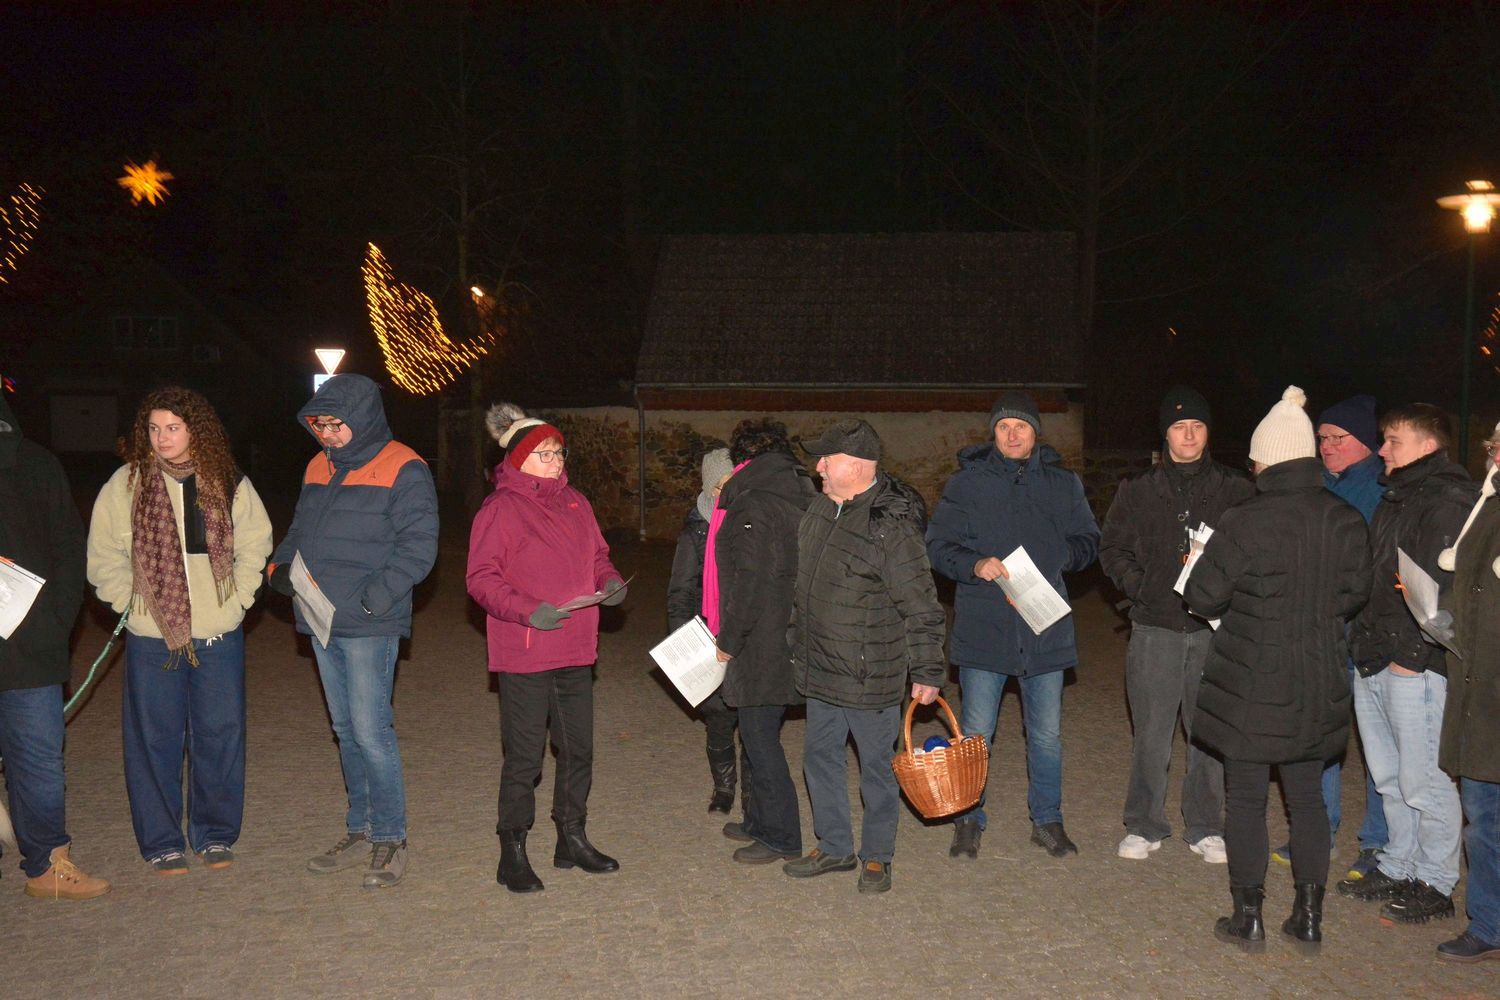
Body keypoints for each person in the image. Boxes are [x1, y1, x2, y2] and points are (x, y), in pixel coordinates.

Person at [1185, 386, 1371, 952]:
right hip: (1317, 676)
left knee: (1246, 799)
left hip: (1250, 679)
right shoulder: (1344, 518)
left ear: (1268, 459)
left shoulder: (1244, 519)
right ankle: (1308, 919)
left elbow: (1203, 596)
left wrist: (1199, 568)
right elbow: (1353, 594)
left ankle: (1249, 919)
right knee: (1307, 798)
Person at [87, 386, 272, 876]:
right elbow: (103, 554)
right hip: (153, 639)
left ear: (195, 429)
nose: (162, 438)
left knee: (220, 736)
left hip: (217, 636)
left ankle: (214, 835)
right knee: (155, 740)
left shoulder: (227, 481)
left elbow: (256, 543)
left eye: (172, 427)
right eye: (154, 429)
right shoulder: (125, 484)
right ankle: (162, 840)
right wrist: (131, 601)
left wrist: (239, 601)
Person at [267, 374, 437, 889]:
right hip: (320, 618)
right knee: (344, 731)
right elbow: (300, 530)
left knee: (371, 731)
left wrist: (373, 597)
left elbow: (419, 547)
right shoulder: (318, 465)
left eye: (337, 425)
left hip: (367, 621)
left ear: (362, 418)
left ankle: (390, 837)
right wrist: (279, 569)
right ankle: (359, 829)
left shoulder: (403, 466)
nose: (328, 435)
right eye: (319, 425)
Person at [927, 391, 1100, 859]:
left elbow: (1089, 540)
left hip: (1044, 627)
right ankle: (968, 819)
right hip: (986, 625)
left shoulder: (1063, 485)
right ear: (994, 432)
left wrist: (1063, 555)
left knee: (1046, 734)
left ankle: (1047, 820)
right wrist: (973, 563)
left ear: (1035, 433)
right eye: (1004, 427)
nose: (1012, 434)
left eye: (1021, 426)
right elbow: (937, 544)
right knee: (978, 731)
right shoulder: (967, 484)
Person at [467, 402, 625, 893]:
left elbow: (598, 554)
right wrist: (526, 608)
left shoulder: (577, 502)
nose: (556, 461)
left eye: (558, 452)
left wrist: (610, 579)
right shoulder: (500, 508)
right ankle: (511, 848)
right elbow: (480, 578)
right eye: (544, 454)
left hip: (576, 647)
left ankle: (570, 836)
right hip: (527, 648)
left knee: (579, 749)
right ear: (518, 459)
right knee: (525, 757)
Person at [783, 419, 945, 894]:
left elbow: (922, 604)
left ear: (852, 466)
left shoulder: (888, 527)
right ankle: (834, 846)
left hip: (868, 674)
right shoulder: (818, 510)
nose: (818, 467)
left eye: (825, 460)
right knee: (819, 758)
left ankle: (877, 856)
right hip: (821, 669)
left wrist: (928, 669)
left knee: (876, 769)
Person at [1100, 386, 1252, 865]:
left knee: (1206, 731)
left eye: (1197, 426)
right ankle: (1144, 823)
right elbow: (1113, 548)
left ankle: (1206, 825)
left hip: (1213, 630)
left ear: (1208, 432)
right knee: (1151, 731)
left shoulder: (1236, 489)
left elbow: (1252, 550)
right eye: (1179, 427)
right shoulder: (1139, 489)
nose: (1188, 435)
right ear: (1165, 434)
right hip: (1155, 626)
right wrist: (1140, 587)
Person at [1340, 403, 1476, 925]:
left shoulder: (1446, 501)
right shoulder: (1398, 495)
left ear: (1427, 445)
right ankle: (1399, 863)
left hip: (1411, 664)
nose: (1382, 450)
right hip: (1376, 654)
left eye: (1393, 440)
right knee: (1389, 775)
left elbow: (1441, 594)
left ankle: (1435, 880)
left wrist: (1412, 659)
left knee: (1424, 778)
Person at [1273, 394, 1387, 878]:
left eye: (1336, 438)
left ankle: (1380, 842)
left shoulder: (1381, 489)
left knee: (1381, 751)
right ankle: (1317, 832)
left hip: (1366, 636)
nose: (1326, 446)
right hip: (1320, 635)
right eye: (1321, 438)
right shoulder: (1319, 484)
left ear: (1365, 442)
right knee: (1320, 740)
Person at [0, 390, 108, 899]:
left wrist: (57, 619)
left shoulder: (35, 464)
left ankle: (47, 865)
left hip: (30, 644)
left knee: (38, 758)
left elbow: (69, 545)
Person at [712, 419, 815, 865]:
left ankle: (783, 835)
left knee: (759, 737)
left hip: (763, 641)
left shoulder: (754, 505)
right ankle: (757, 820)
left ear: (744, 462)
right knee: (760, 733)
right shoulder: (799, 497)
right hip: (788, 634)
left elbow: (749, 582)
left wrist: (729, 639)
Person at [1435, 422, 1500, 962]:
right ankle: (1488, 923)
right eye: (1497, 447)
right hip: (1481, 695)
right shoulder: (1487, 505)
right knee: (1482, 819)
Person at [666, 448, 749, 815]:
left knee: (753, 715)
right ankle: (725, 787)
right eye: (725, 485)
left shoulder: (752, 520)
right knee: (719, 717)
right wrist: (686, 646)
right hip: (708, 635)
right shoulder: (697, 528)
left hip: (746, 633)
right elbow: (680, 591)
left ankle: (755, 789)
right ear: (712, 489)